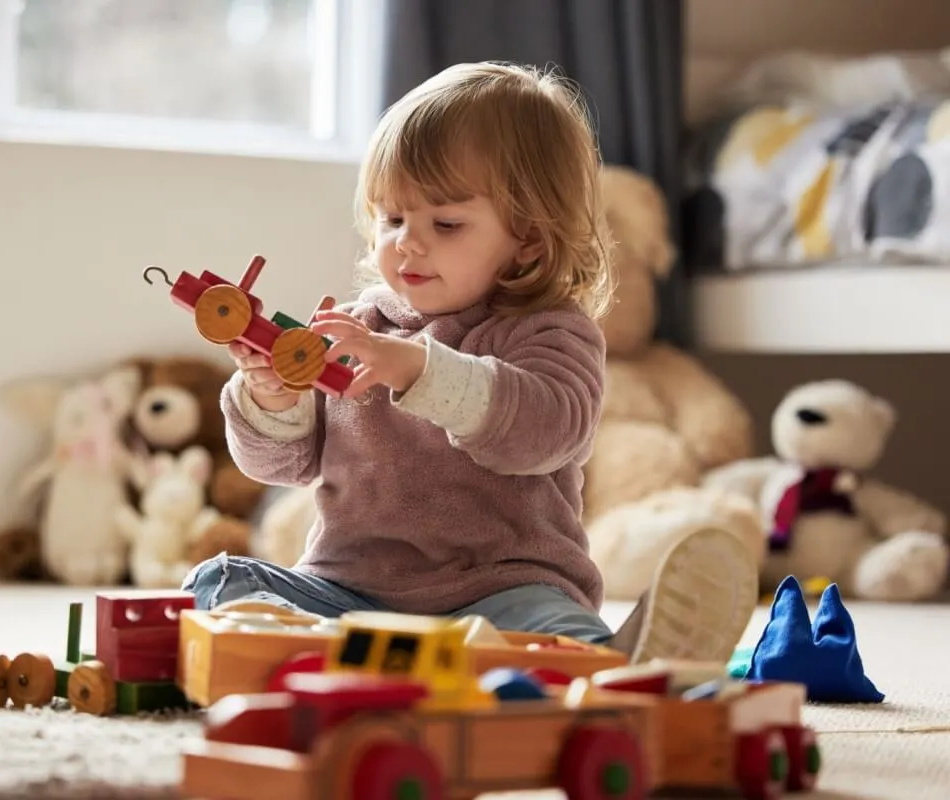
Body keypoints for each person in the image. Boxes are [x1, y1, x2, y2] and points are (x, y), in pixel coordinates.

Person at [182, 61, 758, 665]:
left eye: (446, 223)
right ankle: (331, 651)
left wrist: (419, 371)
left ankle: (612, 662)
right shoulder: (359, 328)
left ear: (529, 237)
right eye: (392, 218)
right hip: (351, 589)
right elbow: (283, 464)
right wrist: (274, 398)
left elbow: (544, 433)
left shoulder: (550, 330)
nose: (407, 242)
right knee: (218, 582)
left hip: (501, 593)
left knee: (555, 631)